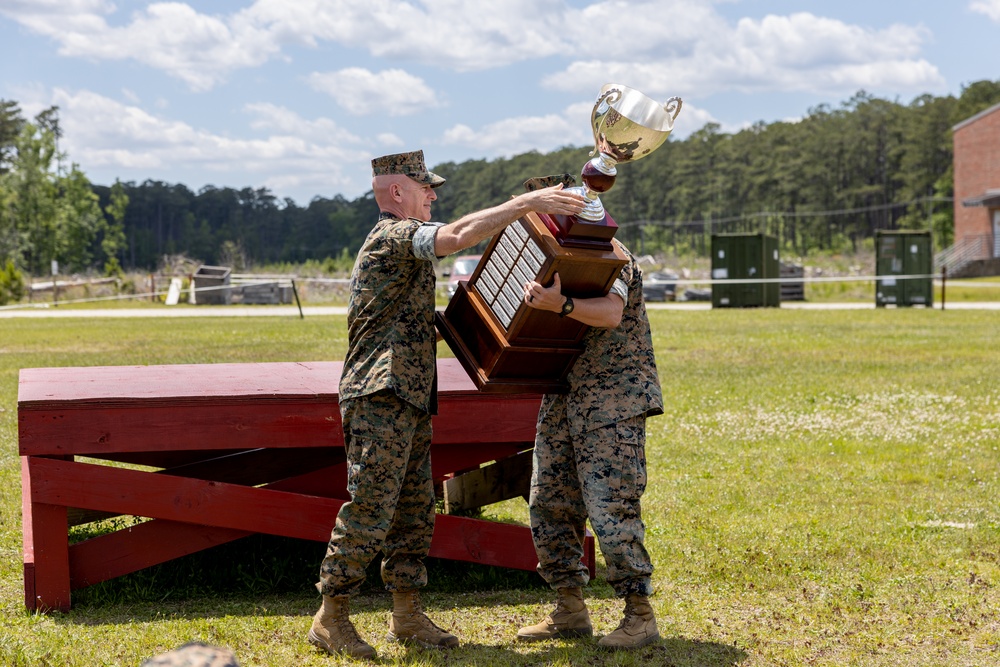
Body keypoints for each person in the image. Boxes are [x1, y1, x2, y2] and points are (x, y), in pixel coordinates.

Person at [308, 150, 586, 659]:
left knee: (415, 513)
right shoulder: (392, 236)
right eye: (425, 188)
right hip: (380, 395)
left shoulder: (403, 250)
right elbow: (454, 238)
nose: (433, 195)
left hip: (407, 397)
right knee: (371, 507)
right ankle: (332, 616)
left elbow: (425, 322)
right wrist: (525, 203)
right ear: (397, 192)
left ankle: (407, 615)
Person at [517, 222, 664, 650]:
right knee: (549, 503)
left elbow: (611, 312)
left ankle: (639, 615)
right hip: (564, 394)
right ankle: (570, 610)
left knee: (610, 510)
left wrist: (560, 304)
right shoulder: (555, 260)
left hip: (613, 400)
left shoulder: (611, 255)